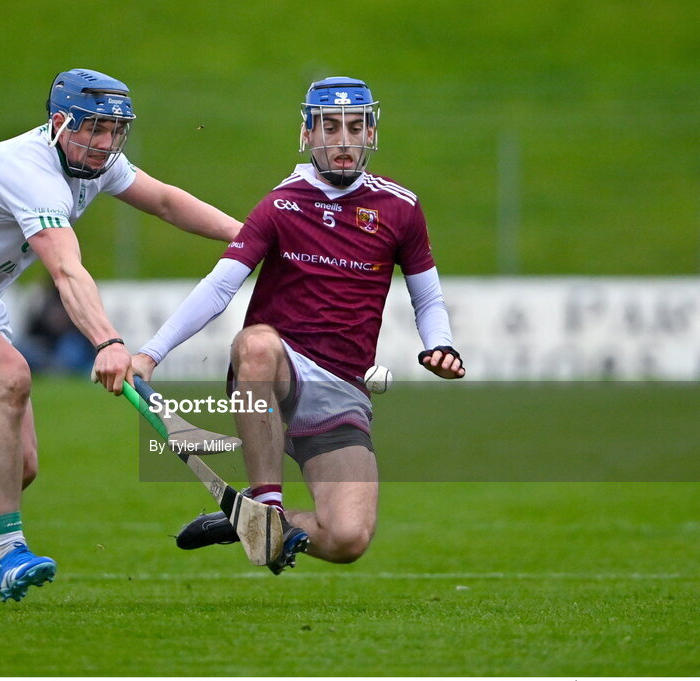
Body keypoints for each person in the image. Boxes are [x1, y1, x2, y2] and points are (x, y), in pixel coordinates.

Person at [0, 68, 241, 606]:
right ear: (61, 123)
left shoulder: (94, 163)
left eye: (115, 130)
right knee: (11, 376)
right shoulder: (28, 169)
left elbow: (168, 202)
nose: (106, 143)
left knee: (19, 466)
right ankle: (10, 554)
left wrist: (249, 239)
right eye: (95, 129)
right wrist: (108, 342)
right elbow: (64, 270)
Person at [131, 77, 465, 574]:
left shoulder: (401, 208)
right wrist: (150, 353)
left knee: (347, 538)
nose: (343, 140)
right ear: (307, 135)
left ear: (371, 132)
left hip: (343, 388)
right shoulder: (280, 205)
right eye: (329, 126)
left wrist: (441, 345)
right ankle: (267, 506)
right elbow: (220, 286)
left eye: (355, 127)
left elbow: (428, 297)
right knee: (257, 345)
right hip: (276, 371)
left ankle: (249, 520)